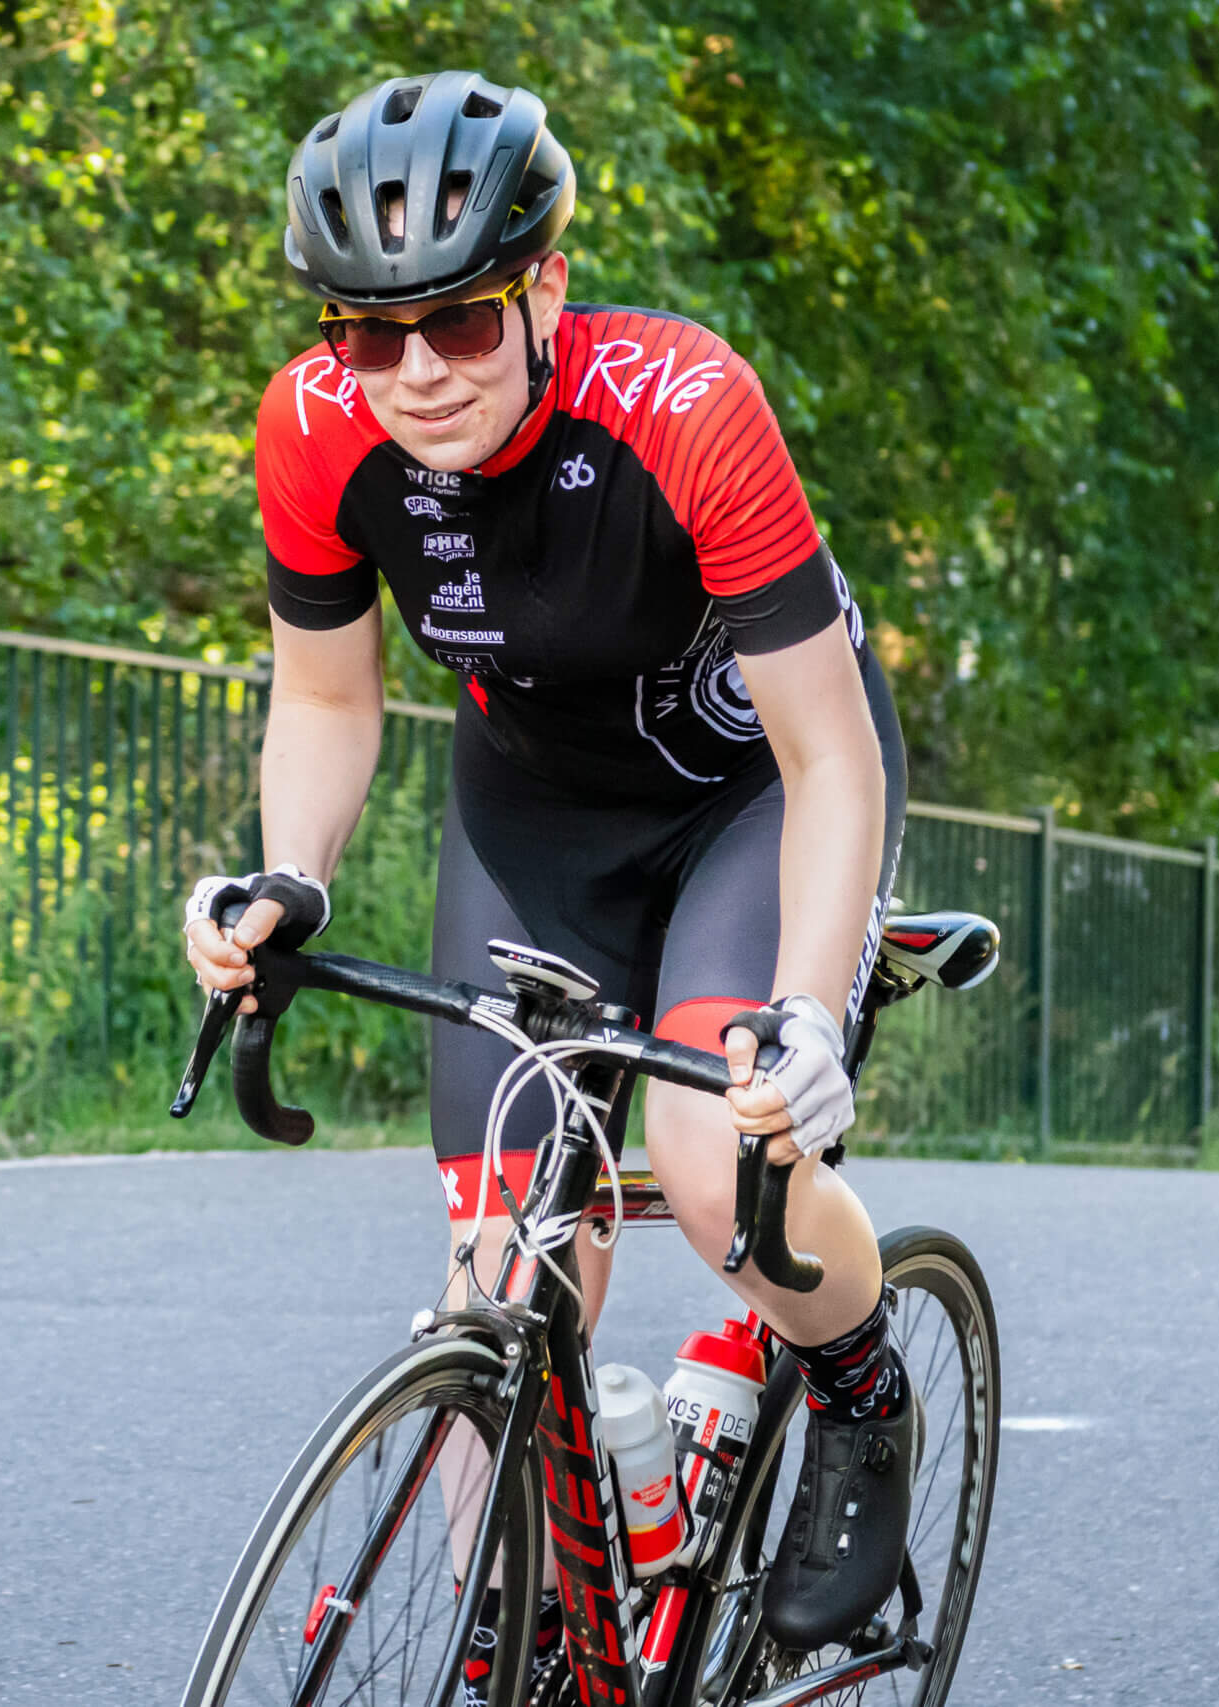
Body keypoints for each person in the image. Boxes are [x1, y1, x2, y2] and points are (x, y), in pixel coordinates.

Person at [180, 71, 914, 1698]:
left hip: (750, 796)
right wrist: (288, 876)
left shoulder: (682, 404)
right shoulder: (314, 428)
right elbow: (325, 697)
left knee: (715, 1177)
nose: (414, 372)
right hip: (536, 816)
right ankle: (516, 1623)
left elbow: (832, 754)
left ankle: (861, 1390)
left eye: (457, 322)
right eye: (369, 333)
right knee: (503, 1255)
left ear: (547, 290)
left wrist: (803, 1012)